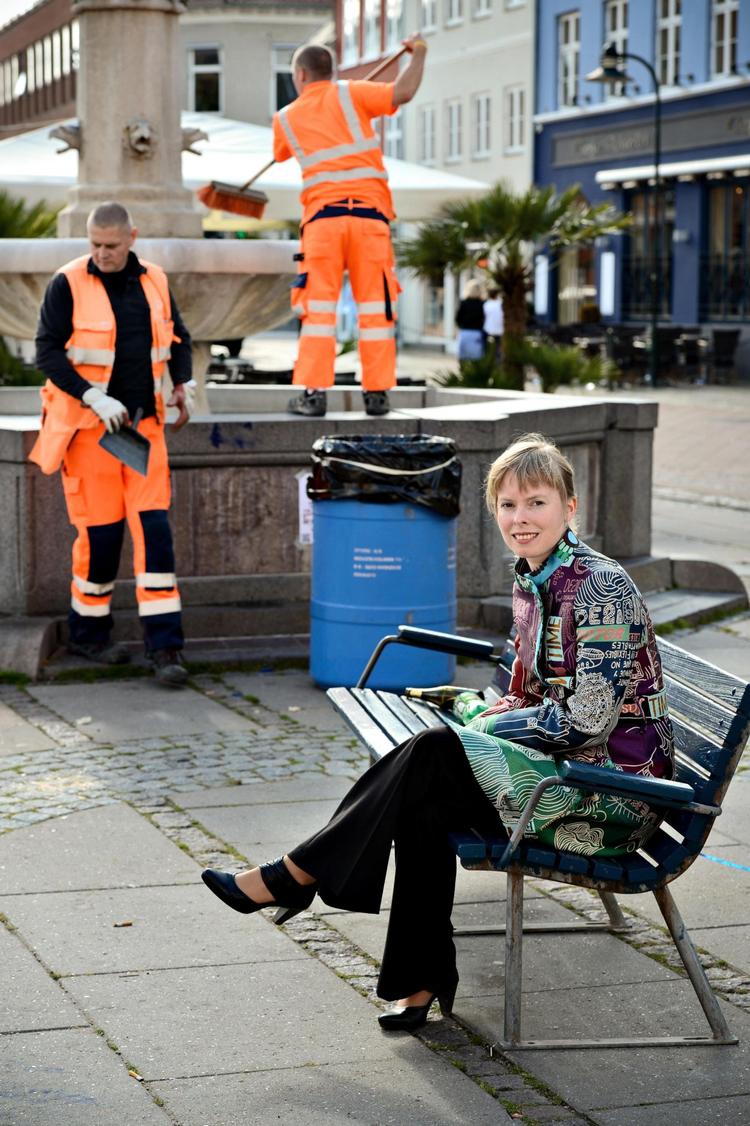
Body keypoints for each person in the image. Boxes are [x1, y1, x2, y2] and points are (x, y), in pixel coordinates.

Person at [202, 433, 674, 1028]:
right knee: (422, 793)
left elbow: (587, 720)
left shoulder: (599, 587)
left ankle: (294, 875)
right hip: (561, 777)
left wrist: (491, 722)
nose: (520, 519)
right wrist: (477, 707)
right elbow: (523, 692)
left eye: (536, 502)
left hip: (612, 796)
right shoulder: (534, 579)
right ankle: (419, 978)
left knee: (429, 754)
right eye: (507, 505)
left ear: (569, 507)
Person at [31, 201, 195, 688]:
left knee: (155, 534)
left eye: (111, 246)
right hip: (89, 434)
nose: (101, 254)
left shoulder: (155, 280)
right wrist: (91, 395)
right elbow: (46, 351)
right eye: (94, 245)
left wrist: (181, 384)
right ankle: (88, 633)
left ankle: (166, 648)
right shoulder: (68, 282)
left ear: (131, 239)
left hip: (144, 430)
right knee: (100, 540)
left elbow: (179, 338)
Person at [272, 39, 427, 418]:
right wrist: (418, 52)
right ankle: (376, 394)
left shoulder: (286, 118)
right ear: (333, 72)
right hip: (370, 220)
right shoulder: (353, 94)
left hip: (323, 223)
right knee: (377, 308)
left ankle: (313, 394)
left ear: (301, 75)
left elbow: (280, 153)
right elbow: (403, 92)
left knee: (318, 310)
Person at [455, 279, 485, 361]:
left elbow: (457, 318)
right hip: (477, 333)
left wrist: (461, 326)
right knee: (476, 359)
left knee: (464, 358)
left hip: (465, 332)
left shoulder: (464, 303)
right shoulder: (482, 304)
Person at [483, 286, 504, 362]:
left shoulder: (486, 304)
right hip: (499, 330)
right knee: (498, 350)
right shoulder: (500, 304)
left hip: (488, 329)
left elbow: (484, 317)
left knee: (487, 349)